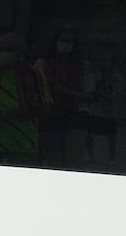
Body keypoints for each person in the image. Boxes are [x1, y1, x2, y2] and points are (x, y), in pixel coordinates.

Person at [0, 32, 51, 166]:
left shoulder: (34, 75)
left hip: (23, 144)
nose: (4, 53)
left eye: (9, 49)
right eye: (0, 49)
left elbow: (45, 107)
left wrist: (15, 113)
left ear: (20, 52)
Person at [34, 27, 93, 168]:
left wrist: (60, 89)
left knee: (73, 161)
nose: (65, 44)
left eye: (69, 41)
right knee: (53, 160)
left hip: (76, 115)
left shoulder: (83, 66)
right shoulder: (42, 64)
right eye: (62, 40)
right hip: (49, 114)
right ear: (55, 42)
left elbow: (89, 97)